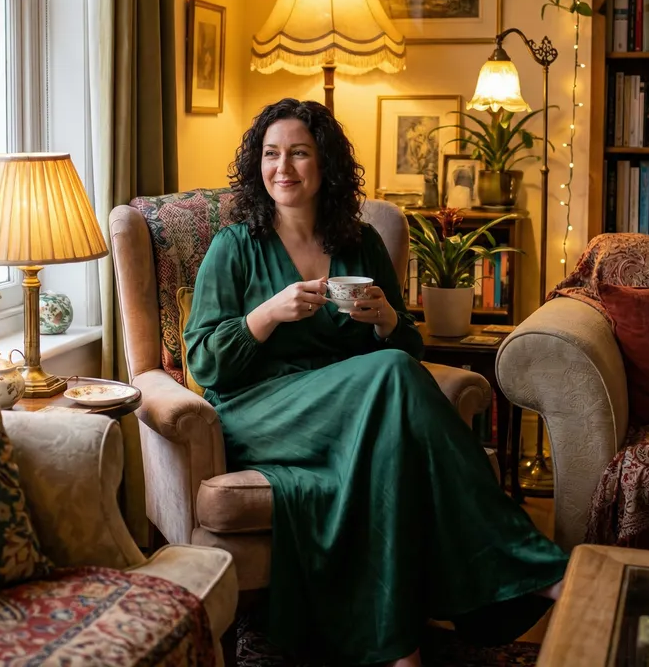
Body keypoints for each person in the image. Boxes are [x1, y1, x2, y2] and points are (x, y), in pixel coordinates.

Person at [183, 98, 568, 666]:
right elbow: (206, 363)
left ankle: (397, 645)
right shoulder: (234, 246)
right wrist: (268, 315)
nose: (282, 167)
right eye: (270, 154)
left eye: (298, 153)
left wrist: (387, 318)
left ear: (325, 165)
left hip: (355, 414)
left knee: (391, 415)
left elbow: (407, 347)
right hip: (259, 411)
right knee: (390, 374)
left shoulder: (360, 242)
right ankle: (527, 564)